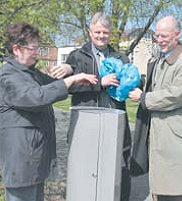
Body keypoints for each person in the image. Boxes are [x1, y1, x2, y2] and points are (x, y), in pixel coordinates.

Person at [0, 22, 97, 201]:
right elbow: (36, 96)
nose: (37, 52)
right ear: (16, 49)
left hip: (33, 161)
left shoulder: (30, 73)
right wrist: (71, 80)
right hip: (21, 163)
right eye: (33, 48)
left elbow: (53, 84)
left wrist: (71, 73)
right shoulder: (9, 76)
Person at [57, 12, 131, 201]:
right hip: (86, 124)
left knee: (118, 166)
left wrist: (129, 82)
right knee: (86, 167)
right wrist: (99, 83)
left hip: (115, 121)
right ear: (90, 32)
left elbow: (132, 84)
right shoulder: (77, 56)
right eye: (97, 32)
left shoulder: (120, 58)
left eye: (105, 32)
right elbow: (69, 86)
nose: (101, 36)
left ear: (110, 33)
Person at [129, 16, 182, 201]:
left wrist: (144, 98)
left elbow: (174, 96)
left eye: (164, 36)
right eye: (157, 36)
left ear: (177, 35)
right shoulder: (160, 60)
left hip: (175, 143)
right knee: (160, 190)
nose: (159, 40)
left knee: (177, 192)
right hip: (162, 139)